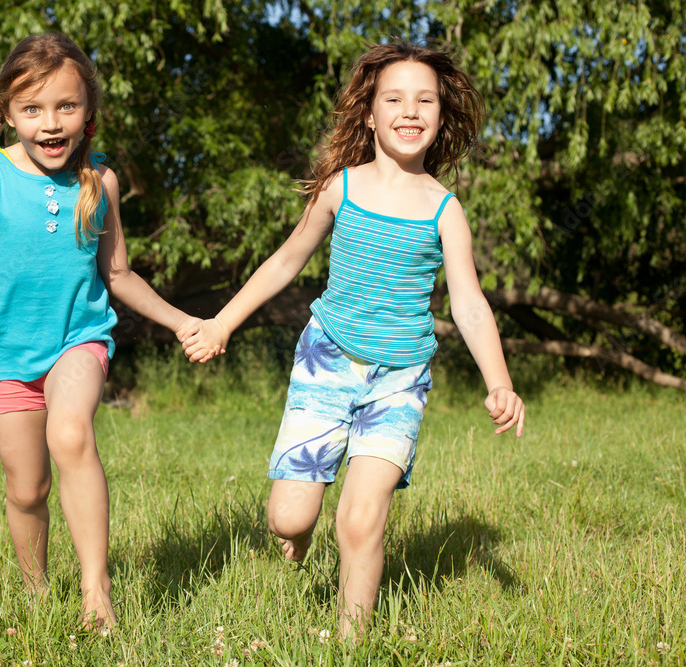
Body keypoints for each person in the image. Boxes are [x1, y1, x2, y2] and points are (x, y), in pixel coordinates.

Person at [183, 40, 526, 639]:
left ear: (441, 116)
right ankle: (299, 532)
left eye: (426, 100)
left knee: (362, 518)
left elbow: (469, 304)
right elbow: (285, 262)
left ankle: (351, 640)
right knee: (288, 519)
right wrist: (222, 322)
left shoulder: (445, 210)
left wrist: (499, 382)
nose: (410, 110)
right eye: (394, 98)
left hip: (398, 380)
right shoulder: (338, 188)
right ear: (369, 113)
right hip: (326, 362)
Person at [0, 32, 201, 631]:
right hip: (7, 355)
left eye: (66, 106)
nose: (50, 123)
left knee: (70, 433)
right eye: (32, 109)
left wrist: (181, 319)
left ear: (89, 111)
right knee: (26, 488)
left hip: (76, 340)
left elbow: (118, 274)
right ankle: (35, 591)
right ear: (6, 114)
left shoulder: (99, 183)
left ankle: (95, 590)